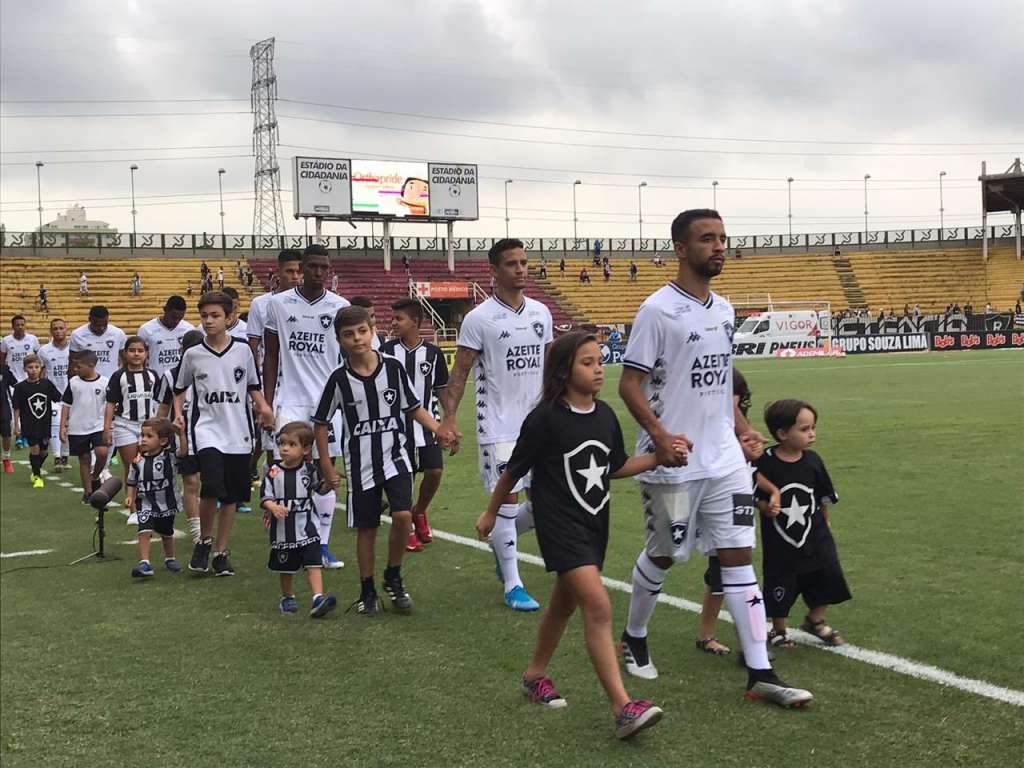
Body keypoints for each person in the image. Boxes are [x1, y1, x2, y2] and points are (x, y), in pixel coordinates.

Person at [617, 209, 812, 708]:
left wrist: (743, 432)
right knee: (667, 552)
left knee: (737, 555)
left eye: (723, 238)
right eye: (707, 239)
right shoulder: (657, 310)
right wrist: (659, 437)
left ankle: (760, 672)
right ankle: (635, 634)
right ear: (682, 249)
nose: (718, 246)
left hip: (725, 461)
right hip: (674, 463)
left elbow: (721, 380)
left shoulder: (725, 310)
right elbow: (629, 383)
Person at [476, 332, 674, 740]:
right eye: (587, 362)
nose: (598, 368)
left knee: (563, 606)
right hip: (559, 526)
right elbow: (513, 471)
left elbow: (613, 467)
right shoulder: (545, 418)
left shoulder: (604, 415)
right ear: (565, 371)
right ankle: (623, 708)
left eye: (600, 360)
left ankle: (534, 675)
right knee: (598, 606)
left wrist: (659, 456)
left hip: (593, 525)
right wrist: (492, 512)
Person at [436, 237, 553, 612]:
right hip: (499, 426)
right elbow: (461, 373)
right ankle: (513, 584)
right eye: (512, 263)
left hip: (539, 424)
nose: (521, 269)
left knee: (546, 506)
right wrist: (449, 418)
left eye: (523, 262)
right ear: (494, 271)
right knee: (507, 499)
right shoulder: (479, 318)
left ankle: (502, 543)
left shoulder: (541, 313)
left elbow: (552, 367)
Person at [314, 306, 453, 614]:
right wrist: (325, 463)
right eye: (348, 335)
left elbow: (413, 408)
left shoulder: (391, 367)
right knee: (367, 528)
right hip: (361, 464)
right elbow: (320, 422)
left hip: (396, 455)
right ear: (339, 340)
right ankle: (367, 590)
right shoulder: (338, 379)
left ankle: (393, 575)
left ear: (372, 330)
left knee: (403, 515)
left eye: (362, 331)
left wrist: (439, 430)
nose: (357, 339)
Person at [173, 291, 274, 577]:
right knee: (212, 486)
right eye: (204, 316)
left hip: (238, 432)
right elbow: (179, 389)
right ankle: (203, 541)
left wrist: (264, 408)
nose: (208, 321)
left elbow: (253, 386)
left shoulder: (242, 350)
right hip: (207, 431)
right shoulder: (193, 354)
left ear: (229, 318)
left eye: (215, 315)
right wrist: (179, 413)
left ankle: (221, 552)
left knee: (231, 495)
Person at [262, 245, 350, 569]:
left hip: (328, 401)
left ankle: (322, 545)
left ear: (329, 270)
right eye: (311, 266)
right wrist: (268, 404)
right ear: (301, 269)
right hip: (291, 400)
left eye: (322, 267)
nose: (317, 272)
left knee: (326, 472)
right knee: (286, 472)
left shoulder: (340, 307)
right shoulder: (278, 305)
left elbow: (348, 357)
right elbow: (271, 356)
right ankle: (288, 541)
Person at [756, 399, 850, 648]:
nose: (812, 434)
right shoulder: (764, 462)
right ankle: (778, 629)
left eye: (813, 428)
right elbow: (753, 491)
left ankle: (815, 620)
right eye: (804, 429)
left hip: (815, 534)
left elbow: (822, 497)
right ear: (782, 434)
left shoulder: (813, 460)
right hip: (781, 539)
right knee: (782, 580)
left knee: (829, 573)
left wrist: (826, 524)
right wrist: (764, 506)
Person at [384, 298, 450, 552]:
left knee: (434, 472)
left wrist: (449, 421)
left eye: (398, 319)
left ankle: (419, 512)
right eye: (393, 318)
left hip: (427, 426)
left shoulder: (433, 354)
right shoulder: (386, 352)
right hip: (396, 427)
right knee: (405, 478)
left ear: (415, 322)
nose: (393, 323)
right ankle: (407, 529)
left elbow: (442, 389)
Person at [261, 421, 338, 618]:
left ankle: (317, 598)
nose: (284, 448)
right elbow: (265, 497)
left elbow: (319, 489)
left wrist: (330, 484)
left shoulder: (310, 470)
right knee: (286, 567)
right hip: (283, 530)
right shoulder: (273, 472)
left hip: (308, 527)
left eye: (291, 444)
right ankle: (287, 597)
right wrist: (273, 507)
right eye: (282, 443)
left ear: (305, 449)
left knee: (313, 563)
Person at [247, 249, 303, 481]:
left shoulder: (307, 303)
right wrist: (257, 392)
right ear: (278, 271)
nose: (295, 276)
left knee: (301, 443)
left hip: (299, 381)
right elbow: (254, 346)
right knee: (275, 443)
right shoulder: (261, 304)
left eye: (299, 271)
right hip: (271, 382)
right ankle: (274, 488)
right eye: (290, 271)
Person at [153, 329, 205, 544]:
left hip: (211, 435)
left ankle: (203, 524)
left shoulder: (211, 372)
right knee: (191, 482)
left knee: (208, 485)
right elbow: (163, 410)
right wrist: (156, 436)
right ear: (181, 351)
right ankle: (197, 531)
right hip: (184, 439)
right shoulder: (170, 376)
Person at [104, 336, 158, 522]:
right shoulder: (118, 376)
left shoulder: (153, 375)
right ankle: (134, 510)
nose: (136, 354)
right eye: (132, 350)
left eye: (140, 351)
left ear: (146, 353)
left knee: (148, 467)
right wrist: (106, 429)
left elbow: (158, 402)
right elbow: (111, 403)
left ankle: (150, 505)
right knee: (132, 466)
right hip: (124, 425)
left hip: (149, 427)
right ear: (125, 353)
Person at [126, 417, 184, 578]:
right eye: (142, 435)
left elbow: (184, 453)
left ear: (163, 441)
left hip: (166, 503)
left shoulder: (169, 457)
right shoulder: (137, 462)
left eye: (149, 436)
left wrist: (182, 435)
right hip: (145, 502)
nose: (143, 439)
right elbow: (131, 481)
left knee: (167, 532)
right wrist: (130, 496)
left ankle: (170, 558)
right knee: (144, 530)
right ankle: (144, 563)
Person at [60, 350, 110, 503]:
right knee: (84, 459)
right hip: (77, 427)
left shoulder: (104, 382)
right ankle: (88, 491)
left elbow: (110, 404)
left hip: (98, 425)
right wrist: (63, 425)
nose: (76, 370)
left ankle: (95, 477)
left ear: (91, 365)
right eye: (75, 367)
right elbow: (66, 405)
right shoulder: (73, 382)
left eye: (79, 366)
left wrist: (109, 425)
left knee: (102, 453)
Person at [12, 354, 63, 488]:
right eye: (30, 367)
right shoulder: (20, 387)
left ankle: (35, 468)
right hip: (29, 424)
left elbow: (59, 398)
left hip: (44, 423)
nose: (33, 370)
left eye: (36, 367)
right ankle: (37, 476)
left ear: (41, 368)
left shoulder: (47, 384)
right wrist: (16, 425)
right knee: (34, 448)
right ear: (25, 369)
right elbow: (16, 408)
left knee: (44, 452)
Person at [137, 296, 195, 379]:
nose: (177, 321)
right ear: (165, 309)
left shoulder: (189, 329)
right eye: (173, 317)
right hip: (156, 380)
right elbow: (139, 358)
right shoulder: (146, 329)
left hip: (180, 382)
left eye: (180, 318)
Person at [70, 306, 126, 379]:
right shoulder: (77, 334)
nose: (101, 328)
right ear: (90, 319)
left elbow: (125, 358)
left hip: (112, 380)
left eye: (104, 324)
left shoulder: (118, 333)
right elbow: (72, 362)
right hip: (87, 381)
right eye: (97, 325)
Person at [2, 314, 41, 383]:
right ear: (13, 326)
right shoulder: (6, 340)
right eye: (17, 325)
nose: (20, 327)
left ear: (25, 326)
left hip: (30, 376)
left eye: (22, 325)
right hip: (13, 377)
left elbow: (38, 357)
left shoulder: (33, 339)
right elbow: (2, 360)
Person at [1, 358, 15, 473]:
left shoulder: (4, 369)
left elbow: (15, 384)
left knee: (6, 434)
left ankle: (6, 458)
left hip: (3, 408)